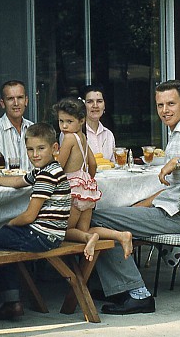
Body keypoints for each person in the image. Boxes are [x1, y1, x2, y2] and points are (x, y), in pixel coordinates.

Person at [90, 79, 180, 315]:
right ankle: (118, 286)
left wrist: (178, 162)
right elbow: (174, 188)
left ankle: (136, 293)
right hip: (174, 210)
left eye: (171, 104)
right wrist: (141, 205)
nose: (165, 110)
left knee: (98, 220)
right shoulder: (177, 133)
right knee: (111, 215)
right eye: (160, 105)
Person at [0, 123, 71, 326]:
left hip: (41, 235)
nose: (34, 154)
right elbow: (17, 181)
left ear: (55, 148)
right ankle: (12, 302)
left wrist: (9, 224)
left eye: (40, 148)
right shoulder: (48, 169)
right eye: (30, 149)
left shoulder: (46, 175)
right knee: (1, 245)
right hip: (50, 234)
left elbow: (29, 216)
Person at [53, 98, 133, 261]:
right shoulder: (82, 137)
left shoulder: (68, 138)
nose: (64, 126)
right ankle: (120, 235)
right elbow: (93, 163)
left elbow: (58, 166)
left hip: (73, 190)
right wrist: (87, 180)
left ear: (82, 120)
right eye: (61, 121)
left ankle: (89, 239)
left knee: (63, 231)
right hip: (86, 191)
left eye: (69, 121)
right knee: (84, 230)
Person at [0, 80, 33, 171]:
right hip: (4, 185)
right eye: (10, 99)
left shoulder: (34, 129)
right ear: (2, 103)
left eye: (20, 97)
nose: (16, 103)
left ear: (26, 101)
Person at [82, 85, 116, 161]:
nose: (95, 105)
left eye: (99, 101)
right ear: (83, 106)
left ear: (104, 106)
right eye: (90, 102)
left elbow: (114, 165)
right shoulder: (74, 133)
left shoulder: (108, 135)